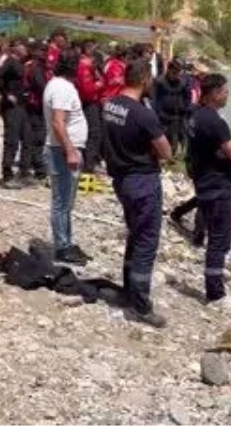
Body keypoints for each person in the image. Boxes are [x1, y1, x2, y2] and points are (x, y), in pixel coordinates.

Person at [103, 57, 171, 328]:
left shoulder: (111, 105)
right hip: (142, 181)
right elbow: (166, 151)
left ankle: (128, 291)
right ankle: (140, 305)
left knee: (135, 234)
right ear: (144, 80)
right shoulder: (143, 114)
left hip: (121, 179)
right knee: (145, 241)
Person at [186, 73, 231, 307]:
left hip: (203, 181)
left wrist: (222, 151)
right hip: (217, 185)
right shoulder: (215, 122)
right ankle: (215, 293)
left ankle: (215, 282)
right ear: (215, 93)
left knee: (214, 237)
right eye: (225, 91)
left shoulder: (196, 116)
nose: (228, 95)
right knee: (219, 239)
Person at [43, 48, 90, 265]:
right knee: (61, 202)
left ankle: (67, 243)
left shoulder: (59, 85)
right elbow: (58, 122)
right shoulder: (62, 88)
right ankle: (62, 247)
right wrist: (70, 150)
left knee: (66, 202)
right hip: (61, 151)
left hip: (62, 149)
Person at [0, 39, 31, 188]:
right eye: (23, 48)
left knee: (27, 138)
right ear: (17, 49)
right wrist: (6, 94)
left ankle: (24, 172)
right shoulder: (9, 62)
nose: (26, 50)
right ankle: (7, 174)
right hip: (12, 107)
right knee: (12, 140)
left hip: (22, 106)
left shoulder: (22, 64)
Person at [151, 60, 193, 156]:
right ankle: (160, 157)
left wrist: (186, 108)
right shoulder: (159, 81)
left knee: (174, 139)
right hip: (162, 116)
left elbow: (188, 96)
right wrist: (157, 113)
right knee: (161, 139)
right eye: (174, 73)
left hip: (176, 116)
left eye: (178, 73)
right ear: (168, 70)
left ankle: (171, 158)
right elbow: (154, 99)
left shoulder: (183, 82)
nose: (176, 75)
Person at [75, 39, 105, 174]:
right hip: (88, 102)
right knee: (94, 134)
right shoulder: (84, 65)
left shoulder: (87, 64)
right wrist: (99, 83)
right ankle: (88, 166)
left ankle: (88, 163)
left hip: (87, 102)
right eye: (93, 48)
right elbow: (88, 90)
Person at [22, 41, 49, 183]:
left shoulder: (29, 65)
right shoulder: (35, 67)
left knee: (34, 136)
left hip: (30, 104)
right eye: (43, 50)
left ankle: (33, 165)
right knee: (38, 137)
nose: (45, 53)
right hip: (36, 105)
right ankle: (39, 169)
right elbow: (41, 86)